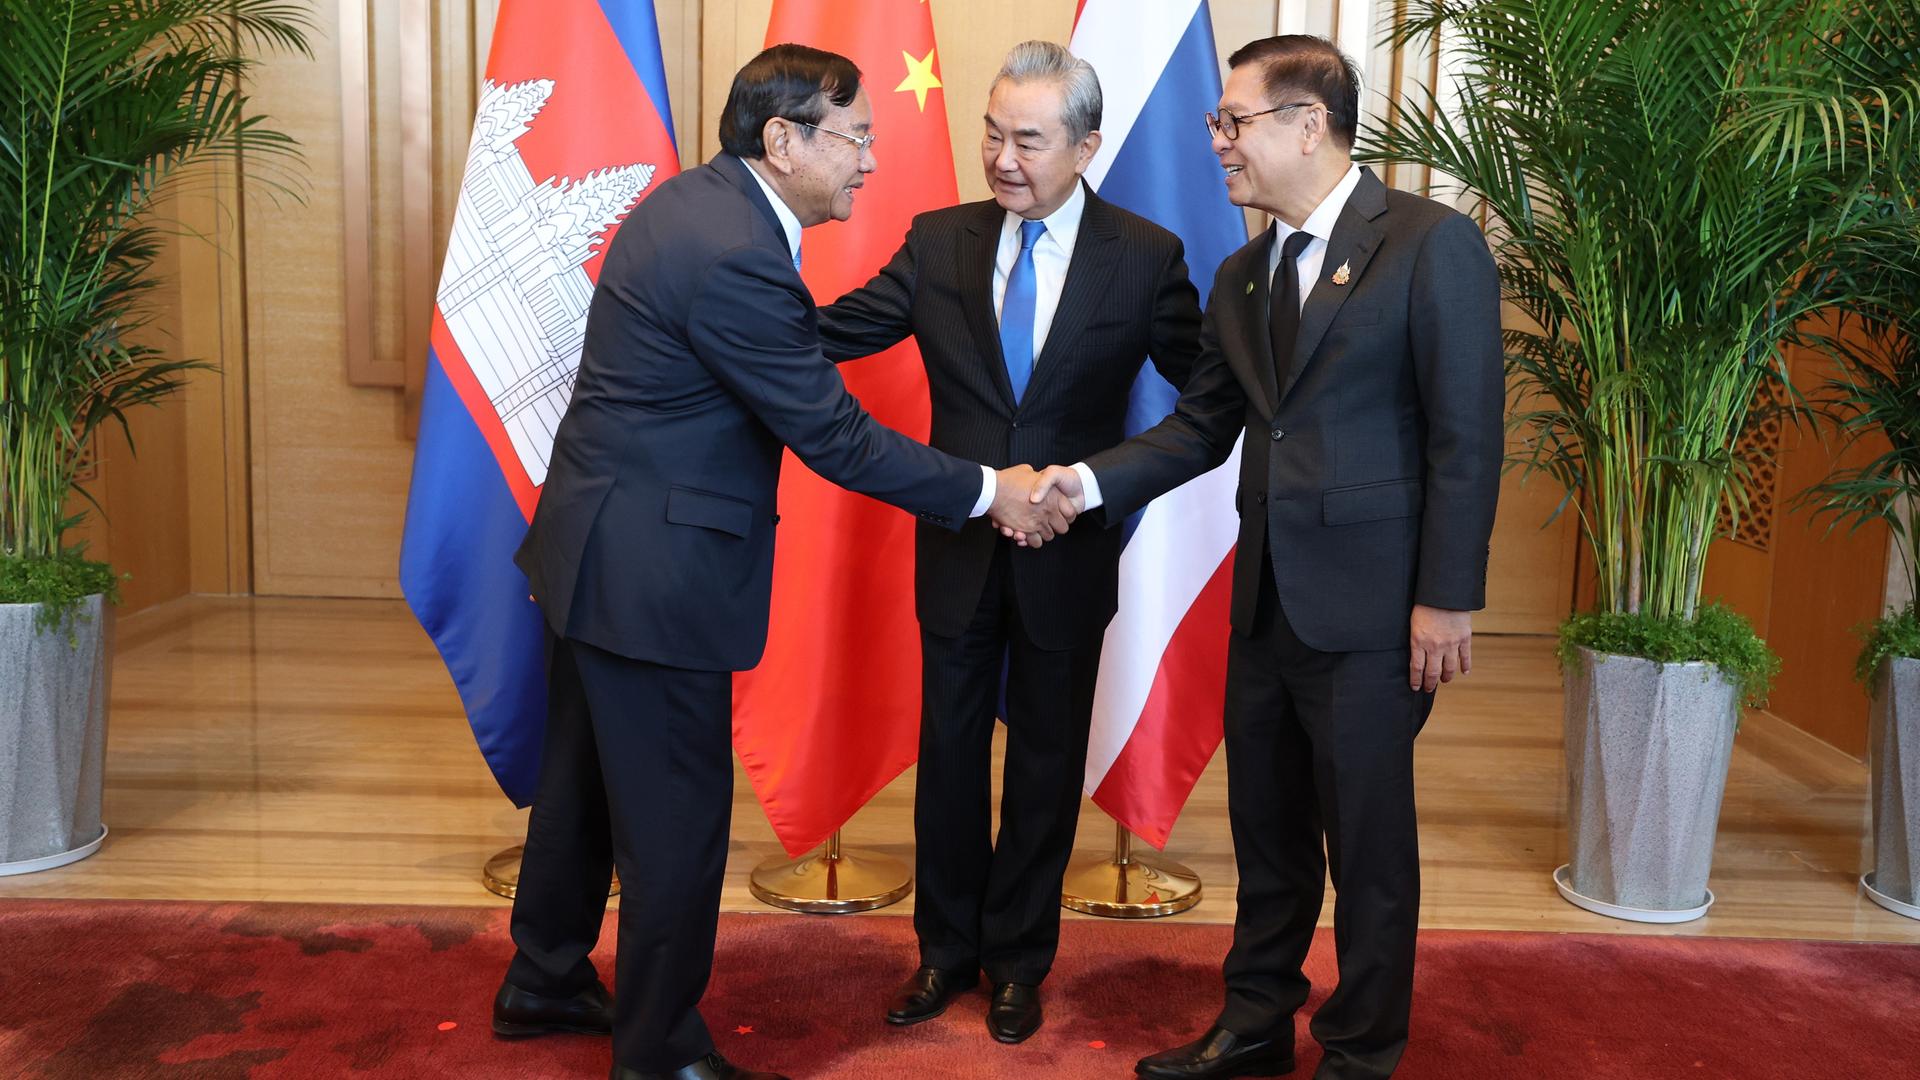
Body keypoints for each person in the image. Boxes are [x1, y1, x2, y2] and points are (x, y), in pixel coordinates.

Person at [495, 44, 1071, 1080]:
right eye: (854, 138)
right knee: (674, 821)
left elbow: (771, 361)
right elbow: (836, 439)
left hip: (597, 547)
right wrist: (995, 492)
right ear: (784, 139)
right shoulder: (733, 248)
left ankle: (542, 976)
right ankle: (660, 1048)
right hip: (652, 573)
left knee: (581, 783)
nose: (868, 162)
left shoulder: (704, 208)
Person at [1015, 34, 1503, 1080]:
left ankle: (1363, 1050)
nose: (1218, 141)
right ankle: (1254, 1023)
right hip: (1268, 606)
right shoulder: (1243, 272)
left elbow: (1467, 434)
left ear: (1308, 124)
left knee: (1369, 849)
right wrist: (1083, 483)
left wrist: (1447, 600)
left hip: (1378, 615)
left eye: (1233, 121)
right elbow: (1201, 429)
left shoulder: (1427, 245)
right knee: (1268, 834)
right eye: (1217, 123)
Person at [815, 40, 1201, 1046]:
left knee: (1042, 760)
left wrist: (1095, 484)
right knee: (946, 757)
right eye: (991, 132)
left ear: (1086, 146)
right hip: (957, 546)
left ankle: (1020, 961)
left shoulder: (1145, 255)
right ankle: (944, 952)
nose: (1001, 157)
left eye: (1027, 139)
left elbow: (1212, 397)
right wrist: (720, 307)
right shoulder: (938, 241)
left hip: (1069, 556)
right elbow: (839, 330)